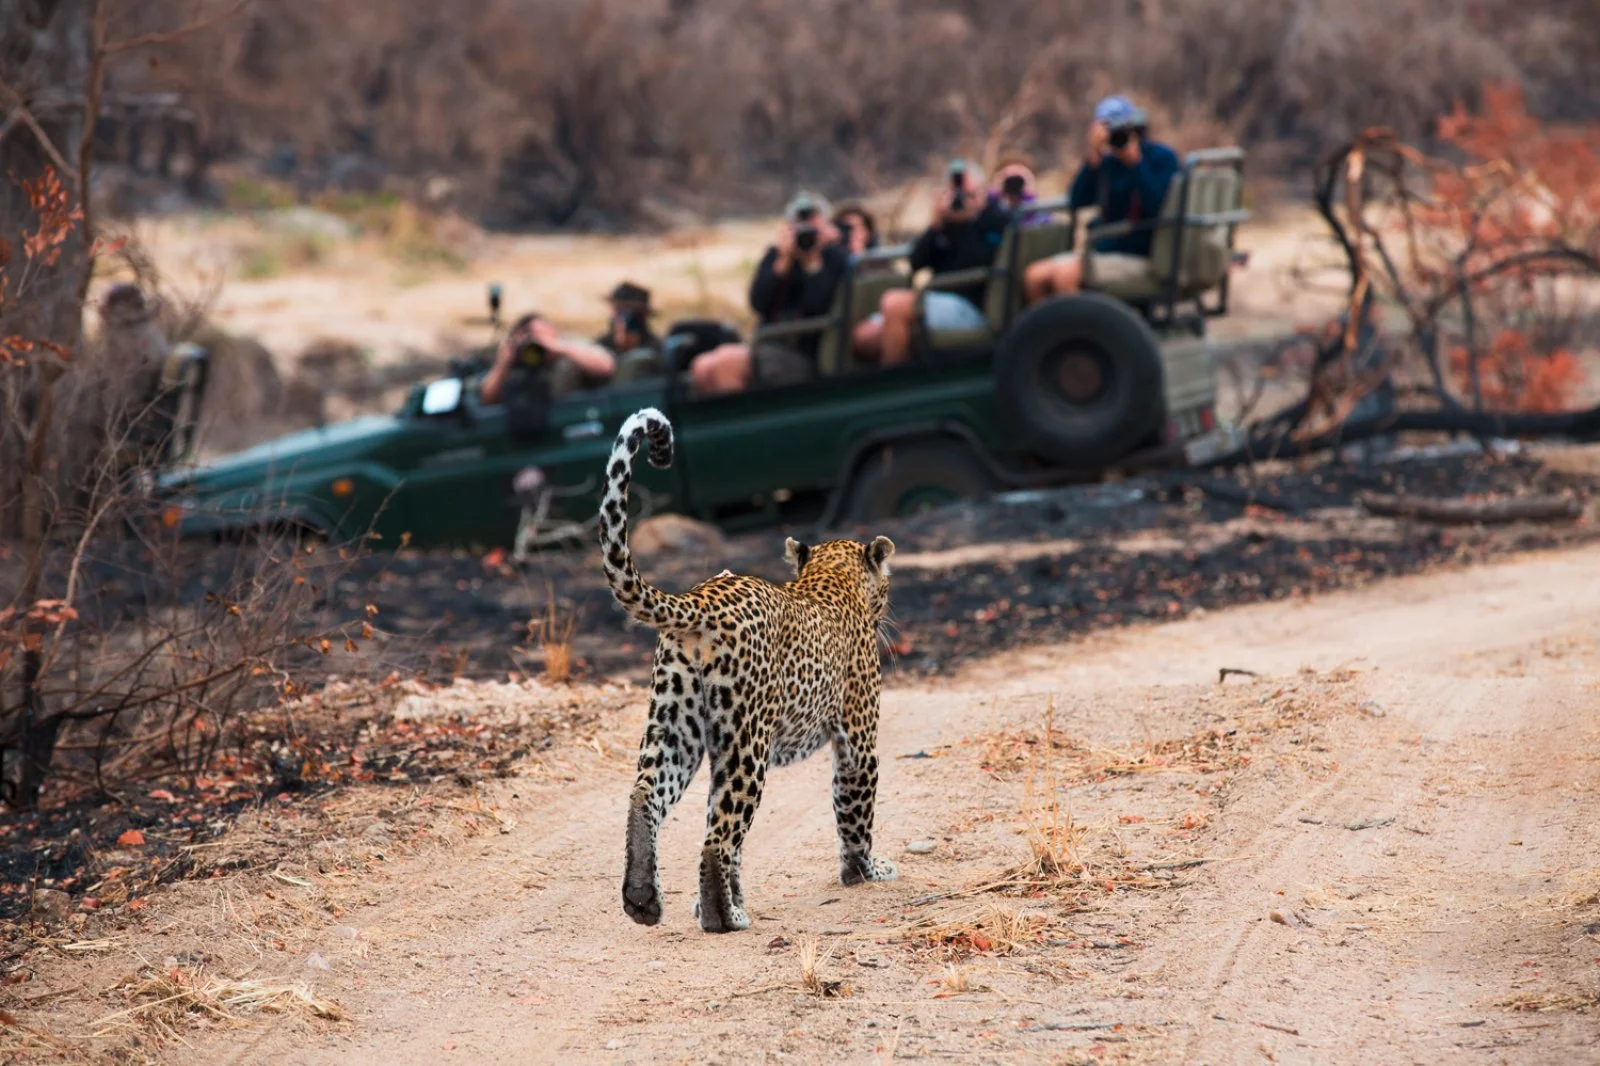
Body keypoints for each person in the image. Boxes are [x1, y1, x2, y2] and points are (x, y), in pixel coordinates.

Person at [1023, 95, 1181, 305]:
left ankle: (1082, 335)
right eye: (1109, 128)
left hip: (1140, 250)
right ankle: (1051, 335)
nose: (1117, 134)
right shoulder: (1108, 163)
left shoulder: (1161, 157)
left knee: (1065, 275)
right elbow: (1076, 201)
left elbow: (1157, 207)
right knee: (1034, 276)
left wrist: (1136, 164)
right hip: (1104, 247)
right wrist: (1093, 158)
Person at [690, 192, 849, 396]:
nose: (806, 231)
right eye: (800, 224)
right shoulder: (779, 257)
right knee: (702, 367)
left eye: (813, 223)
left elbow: (819, 305)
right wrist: (782, 263)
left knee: (728, 363)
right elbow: (758, 302)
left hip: (806, 349)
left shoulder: (835, 258)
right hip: (769, 343)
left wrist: (813, 264)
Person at [852, 159, 1009, 366]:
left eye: (969, 194)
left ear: (983, 191)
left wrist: (968, 220)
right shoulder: (946, 222)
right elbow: (915, 262)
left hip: (971, 304)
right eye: (958, 194)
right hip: (936, 299)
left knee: (894, 303)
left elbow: (979, 261)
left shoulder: (995, 220)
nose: (962, 200)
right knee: (864, 337)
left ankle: (893, 388)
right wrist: (936, 225)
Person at [480, 311, 616, 406]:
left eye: (540, 336)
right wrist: (503, 364)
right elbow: (487, 399)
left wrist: (557, 347)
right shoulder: (513, 367)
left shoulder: (570, 355)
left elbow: (606, 366)